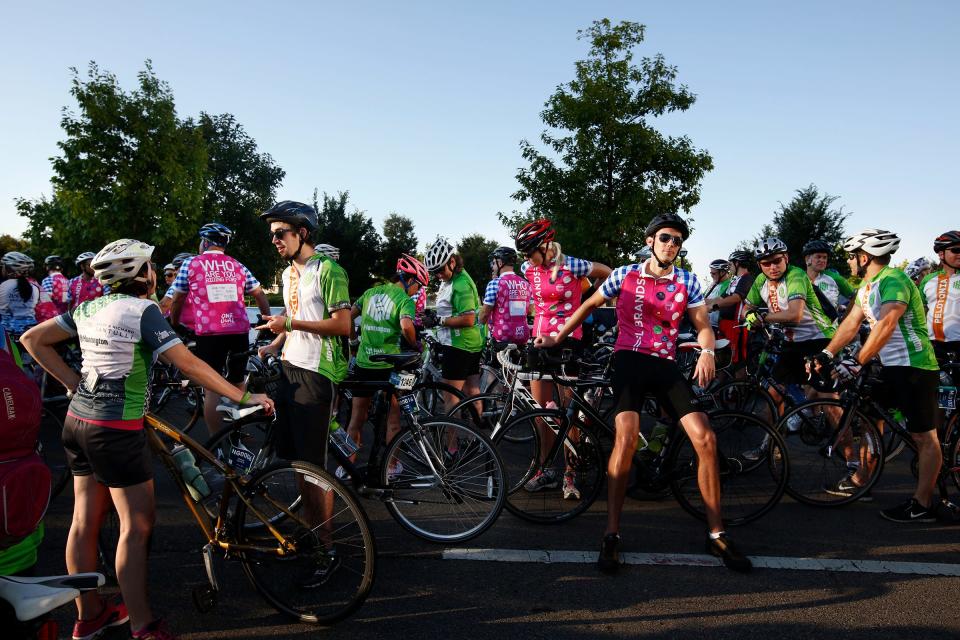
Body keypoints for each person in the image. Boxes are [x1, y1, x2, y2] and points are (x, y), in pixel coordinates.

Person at [20, 239, 273, 640]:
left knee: (84, 521)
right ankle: (143, 625)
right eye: (151, 267)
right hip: (117, 429)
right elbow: (186, 361)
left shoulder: (88, 308)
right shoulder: (143, 310)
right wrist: (243, 394)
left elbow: (32, 340)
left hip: (77, 422)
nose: (156, 273)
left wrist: (72, 384)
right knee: (136, 526)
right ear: (141, 275)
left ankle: (89, 616)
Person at [536, 213, 751, 573]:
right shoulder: (624, 273)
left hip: (664, 364)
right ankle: (612, 534)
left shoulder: (688, 281)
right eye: (665, 237)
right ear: (650, 240)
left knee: (705, 437)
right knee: (624, 439)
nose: (672, 245)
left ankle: (717, 534)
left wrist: (708, 352)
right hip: (628, 361)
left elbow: (701, 326)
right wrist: (557, 337)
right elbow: (588, 306)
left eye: (678, 240)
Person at [812, 229, 942, 521]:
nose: (848, 261)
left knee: (924, 437)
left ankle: (923, 504)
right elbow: (850, 325)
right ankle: (862, 479)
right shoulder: (868, 286)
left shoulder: (895, 280)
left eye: (851, 256)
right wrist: (827, 354)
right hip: (887, 367)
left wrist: (857, 362)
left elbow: (886, 324)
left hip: (915, 367)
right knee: (870, 420)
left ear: (865, 256)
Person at [256, 201, 352, 587]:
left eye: (281, 233)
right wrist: (275, 342)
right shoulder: (287, 274)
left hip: (318, 373)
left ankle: (327, 547)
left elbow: (342, 325)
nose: (275, 240)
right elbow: (294, 321)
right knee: (297, 462)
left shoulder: (329, 270)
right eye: (273, 235)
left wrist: (289, 322)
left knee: (315, 467)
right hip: (291, 369)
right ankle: (312, 534)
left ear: (303, 233)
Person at [514, 219, 611, 499]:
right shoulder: (526, 268)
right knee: (541, 413)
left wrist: (588, 298)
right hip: (539, 339)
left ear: (545, 246)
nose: (526, 259)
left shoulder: (573, 265)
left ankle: (570, 472)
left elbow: (608, 273)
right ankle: (545, 469)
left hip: (569, 341)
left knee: (568, 414)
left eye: (530, 252)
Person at [169, 224, 271, 437]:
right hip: (238, 332)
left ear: (205, 242)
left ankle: (218, 443)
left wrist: (175, 323)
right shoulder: (237, 264)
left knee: (212, 387)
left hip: (209, 332)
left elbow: (177, 299)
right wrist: (266, 320)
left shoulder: (191, 263)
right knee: (237, 382)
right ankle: (237, 436)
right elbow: (260, 294)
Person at [343, 254, 428, 471]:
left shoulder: (370, 293)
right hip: (391, 366)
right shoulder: (403, 300)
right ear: (409, 279)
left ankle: (346, 467)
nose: (417, 291)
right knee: (393, 421)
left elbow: (348, 317)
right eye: (418, 286)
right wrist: (415, 344)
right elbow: (407, 326)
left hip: (365, 363)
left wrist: (354, 341)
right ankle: (391, 467)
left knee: (356, 419)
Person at [744, 238, 836, 412]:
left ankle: (841, 438)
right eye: (766, 263)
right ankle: (773, 438)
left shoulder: (796, 275)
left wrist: (762, 317)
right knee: (774, 394)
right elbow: (747, 307)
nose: (773, 267)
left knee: (827, 398)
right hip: (792, 341)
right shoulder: (759, 281)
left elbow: (795, 315)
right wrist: (749, 316)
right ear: (759, 265)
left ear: (786, 258)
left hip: (818, 337)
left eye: (777, 261)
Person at [422, 237, 484, 414]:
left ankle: (450, 443)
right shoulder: (451, 280)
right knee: (472, 392)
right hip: (468, 344)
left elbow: (468, 319)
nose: (438, 275)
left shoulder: (461, 284)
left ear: (452, 261)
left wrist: (438, 321)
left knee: (451, 399)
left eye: (440, 270)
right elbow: (451, 310)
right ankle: (477, 439)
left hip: (458, 346)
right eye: (434, 272)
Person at [920, 231, 960, 365]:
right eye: (956, 250)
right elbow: (921, 310)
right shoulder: (928, 280)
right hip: (933, 345)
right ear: (941, 254)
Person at [479, 246, 531, 345]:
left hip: (501, 337)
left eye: (494, 263)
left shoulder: (495, 283)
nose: (493, 267)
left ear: (500, 263)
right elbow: (530, 310)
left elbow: (484, 313)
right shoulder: (526, 283)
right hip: (523, 336)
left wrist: (479, 322)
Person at [711, 250, 755, 366]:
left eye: (730, 264)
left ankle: (740, 384)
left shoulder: (747, 278)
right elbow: (721, 298)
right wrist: (701, 304)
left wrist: (714, 306)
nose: (729, 267)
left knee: (738, 361)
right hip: (725, 324)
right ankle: (723, 384)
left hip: (737, 326)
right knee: (722, 359)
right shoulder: (735, 280)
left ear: (738, 263)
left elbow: (737, 297)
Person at [0, 252, 53, 335]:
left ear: (9, 269)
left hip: (15, 334)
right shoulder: (34, 285)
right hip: (40, 330)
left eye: (3, 266)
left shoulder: (6, 286)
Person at [803, 239, 855, 315]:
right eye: (818, 257)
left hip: (830, 326)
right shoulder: (798, 278)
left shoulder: (835, 278)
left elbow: (856, 299)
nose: (822, 260)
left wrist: (846, 318)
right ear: (808, 259)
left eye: (825, 257)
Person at [704, 259, 731, 327]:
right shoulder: (712, 284)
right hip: (706, 323)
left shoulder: (728, 285)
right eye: (711, 273)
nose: (711, 275)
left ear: (722, 272)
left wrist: (701, 301)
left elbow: (718, 302)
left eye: (713, 273)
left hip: (717, 326)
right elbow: (702, 297)